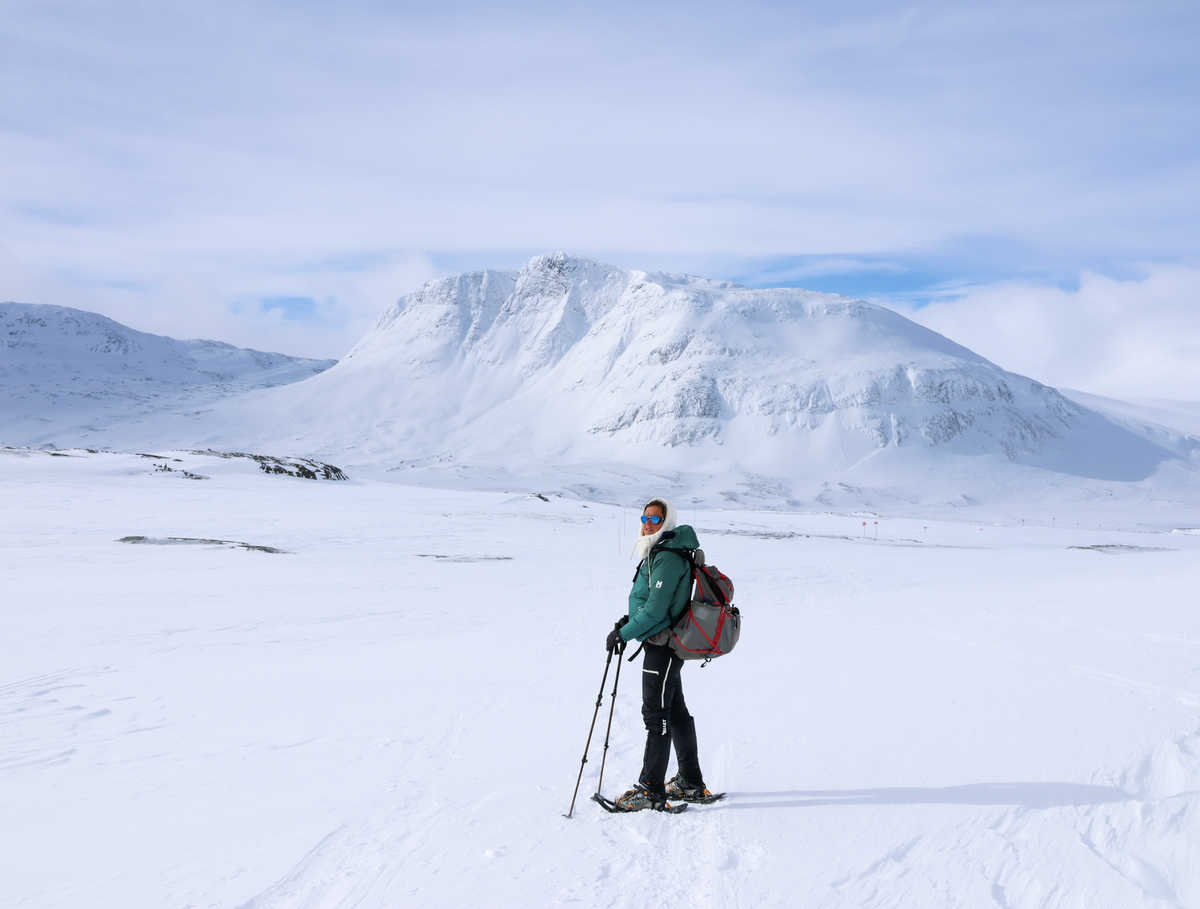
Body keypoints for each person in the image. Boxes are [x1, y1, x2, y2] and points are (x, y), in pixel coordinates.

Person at [604, 498, 713, 811]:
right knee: (675, 714)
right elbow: (651, 602)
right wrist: (628, 621)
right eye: (644, 518)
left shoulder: (667, 557)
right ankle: (690, 782)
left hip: (662, 646)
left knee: (657, 718)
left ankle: (651, 790)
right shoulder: (663, 550)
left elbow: (656, 610)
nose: (647, 524)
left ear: (667, 521)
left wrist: (624, 633)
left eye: (654, 519)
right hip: (662, 642)